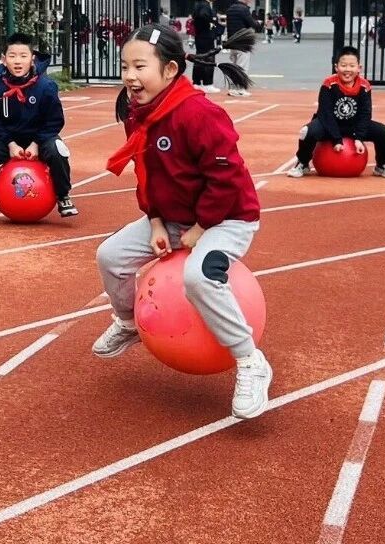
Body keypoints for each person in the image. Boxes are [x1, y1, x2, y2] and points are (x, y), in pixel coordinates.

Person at [94, 24, 271, 420]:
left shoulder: (199, 113)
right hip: (173, 218)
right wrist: (156, 221)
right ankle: (128, 323)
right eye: (125, 66)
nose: (129, 76)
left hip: (226, 219)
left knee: (198, 277)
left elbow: (226, 177)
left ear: (170, 69)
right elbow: (146, 174)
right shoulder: (139, 113)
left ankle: (250, 361)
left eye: (140, 66)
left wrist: (202, 228)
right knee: (110, 256)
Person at [0, 32, 77, 217]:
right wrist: (10, 144)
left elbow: (55, 120)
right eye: (12, 56)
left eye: (23, 56)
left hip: (41, 138)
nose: (17, 61)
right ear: (4, 59)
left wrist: (36, 143)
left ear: (32, 59)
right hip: (8, 139)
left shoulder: (46, 86)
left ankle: (63, 196)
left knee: (57, 151)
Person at [288, 46, 385, 180]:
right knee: (306, 131)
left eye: (352, 66)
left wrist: (359, 138)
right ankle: (302, 163)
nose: (347, 69)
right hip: (329, 125)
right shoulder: (329, 84)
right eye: (343, 65)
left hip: (353, 126)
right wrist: (336, 139)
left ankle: (382, 165)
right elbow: (325, 114)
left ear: (359, 68)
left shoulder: (364, 86)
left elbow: (365, 114)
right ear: (336, 67)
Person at [225, 0, 261, 96]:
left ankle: (232, 88)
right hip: (242, 41)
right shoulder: (243, 9)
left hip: (232, 40)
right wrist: (258, 23)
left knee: (234, 66)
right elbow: (252, 24)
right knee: (242, 66)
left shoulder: (230, 9)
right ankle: (241, 89)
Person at [191, 0, 221, 93]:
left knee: (200, 59)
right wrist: (211, 22)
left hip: (200, 36)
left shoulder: (199, 4)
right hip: (206, 36)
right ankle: (207, 84)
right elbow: (203, 16)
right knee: (208, 59)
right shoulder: (205, 5)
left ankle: (197, 83)